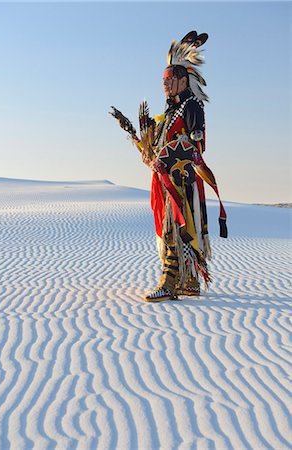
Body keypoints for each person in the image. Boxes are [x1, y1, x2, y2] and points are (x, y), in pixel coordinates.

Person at [110, 31, 227, 302]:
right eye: (163, 81)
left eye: (169, 80)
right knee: (172, 224)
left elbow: (194, 146)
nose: (164, 85)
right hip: (165, 178)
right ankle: (189, 280)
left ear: (183, 81)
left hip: (181, 179)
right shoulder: (172, 110)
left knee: (175, 225)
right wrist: (143, 141)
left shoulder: (192, 106)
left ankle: (169, 281)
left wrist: (171, 155)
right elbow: (160, 143)